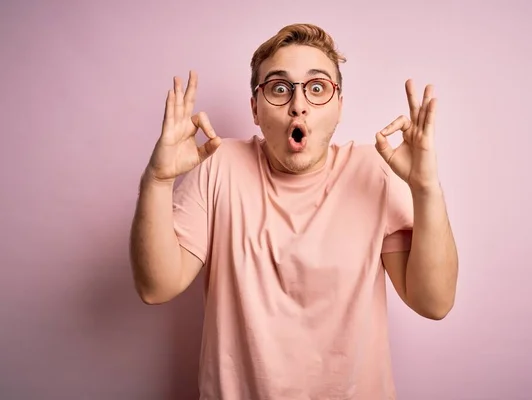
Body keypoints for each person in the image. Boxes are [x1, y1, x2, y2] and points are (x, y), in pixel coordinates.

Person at [129, 23, 458, 399]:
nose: (298, 104)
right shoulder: (218, 167)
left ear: (339, 107)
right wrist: (156, 181)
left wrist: (426, 189)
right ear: (255, 108)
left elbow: (434, 302)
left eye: (317, 88)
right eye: (279, 88)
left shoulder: (375, 174)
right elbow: (155, 288)